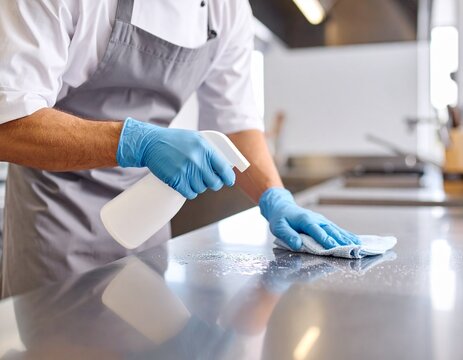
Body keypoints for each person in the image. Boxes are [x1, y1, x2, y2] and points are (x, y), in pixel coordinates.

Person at [0, 0, 360, 298]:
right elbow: (9, 122)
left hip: (147, 216)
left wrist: (275, 197)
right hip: (54, 222)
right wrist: (136, 141)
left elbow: (234, 122)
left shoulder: (226, 9)